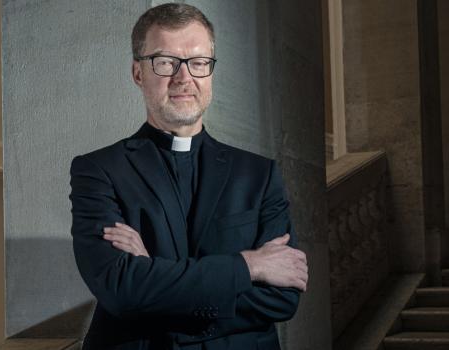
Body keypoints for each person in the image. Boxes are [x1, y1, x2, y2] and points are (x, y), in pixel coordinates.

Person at [69, 3, 308, 349]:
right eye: (165, 62)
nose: (184, 78)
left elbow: (282, 299)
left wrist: (154, 275)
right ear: (138, 73)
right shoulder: (98, 170)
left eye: (198, 63)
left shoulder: (259, 174)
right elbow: (121, 291)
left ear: (210, 72)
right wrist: (247, 267)